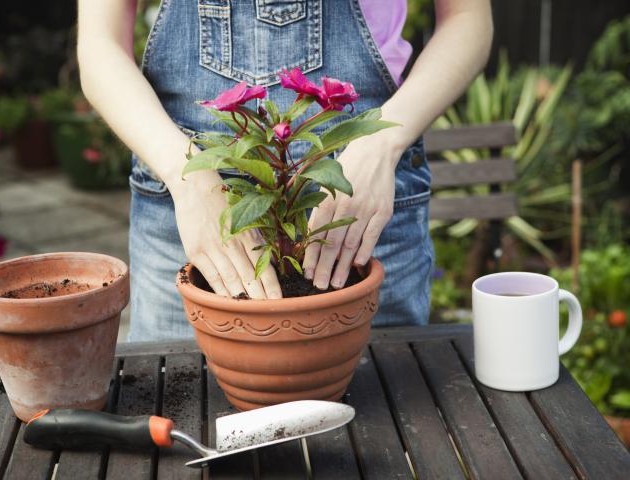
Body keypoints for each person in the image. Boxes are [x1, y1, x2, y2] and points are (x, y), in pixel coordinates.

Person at [77, 0, 493, 341]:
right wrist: (185, 173)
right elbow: (100, 43)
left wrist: (382, 142)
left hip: (358, 208)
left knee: (377, 420)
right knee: (188, 414)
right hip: (191, 216)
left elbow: (467, 17)